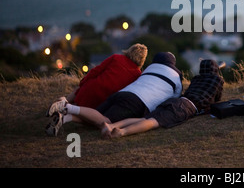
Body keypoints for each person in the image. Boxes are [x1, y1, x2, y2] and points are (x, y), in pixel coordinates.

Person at [45, 52, 182, 136]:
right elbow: (175, 98)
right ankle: (67, 107)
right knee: (106, 122)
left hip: (122, 93)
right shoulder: (177, 78)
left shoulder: (148, 69)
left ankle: (65, 118)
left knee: (96, 118)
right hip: (137, 102)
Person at [100, 59, 225, 139]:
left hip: (175, 101)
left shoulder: (197, 79)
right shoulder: (217, 80)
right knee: (153, 122)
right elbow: (216, 99)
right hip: (186, 107)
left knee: (145, 118)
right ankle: (122, 132)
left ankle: (112, 126)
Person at [46, 43, 148, 113]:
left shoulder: (116, 58)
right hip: (104, 101)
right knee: (77, 109)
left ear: (130, 50)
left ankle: (59, 105)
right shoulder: (137, 75)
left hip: (92, 88)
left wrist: (83, 83)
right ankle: (64, 110)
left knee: (78, 92)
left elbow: (96, 71)